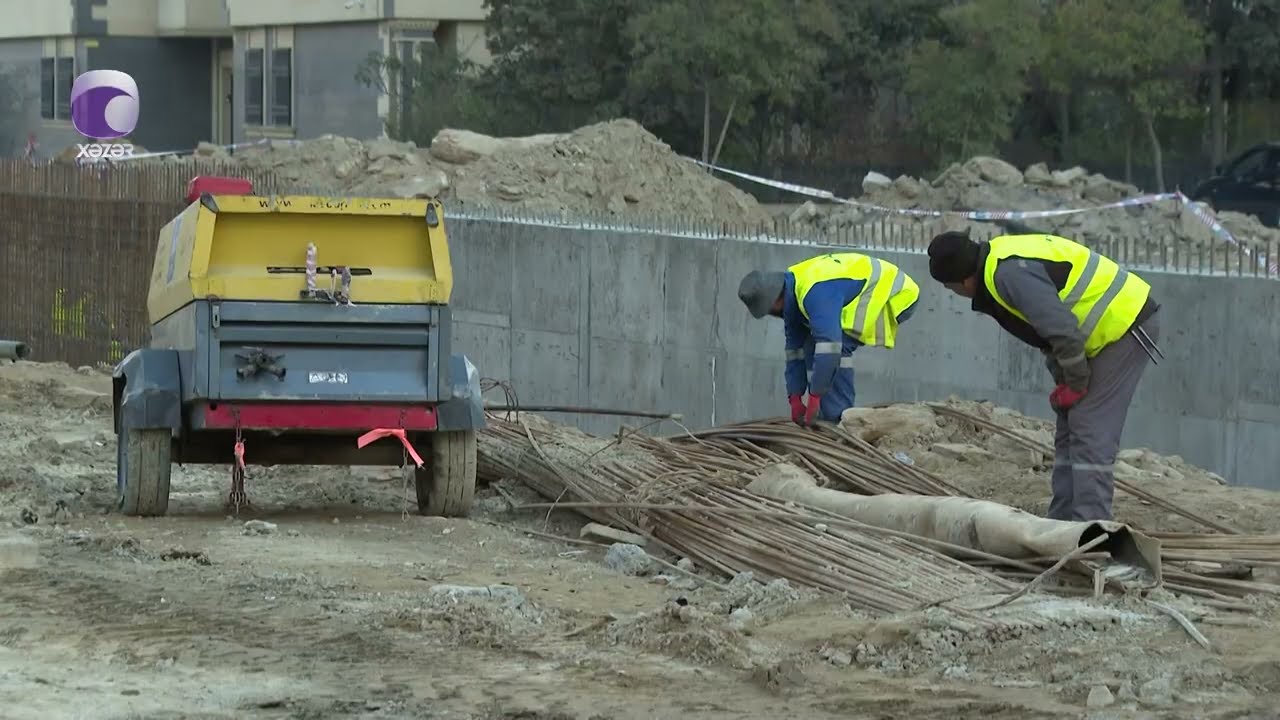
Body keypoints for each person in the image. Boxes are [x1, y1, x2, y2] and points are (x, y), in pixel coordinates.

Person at [925, 229, 1162, 522]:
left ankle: (1091, 530)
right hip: (1100, 332)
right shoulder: (997, 264)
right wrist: (1064, 382)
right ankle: (1061, 523)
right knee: (1069, 426)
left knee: (1089, 427)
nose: (956, 295)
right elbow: (1047, 337)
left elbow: (1062, 332)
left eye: (951, 288)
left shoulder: (1008, 275)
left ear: (963, 280)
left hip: (1125, 325)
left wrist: (1075, 384)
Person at [737, 252, 920, 427]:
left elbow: (830, 350)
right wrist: (795, 396)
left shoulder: (814, 294)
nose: (772, 315)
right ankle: (827, 411)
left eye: (769, 311)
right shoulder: (792, 292)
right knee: (812, 344)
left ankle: (838, 418)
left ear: (775, 301)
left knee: (836, 348)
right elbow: (795, 350)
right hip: (870, 289)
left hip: (895, 293)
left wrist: (815, 397)